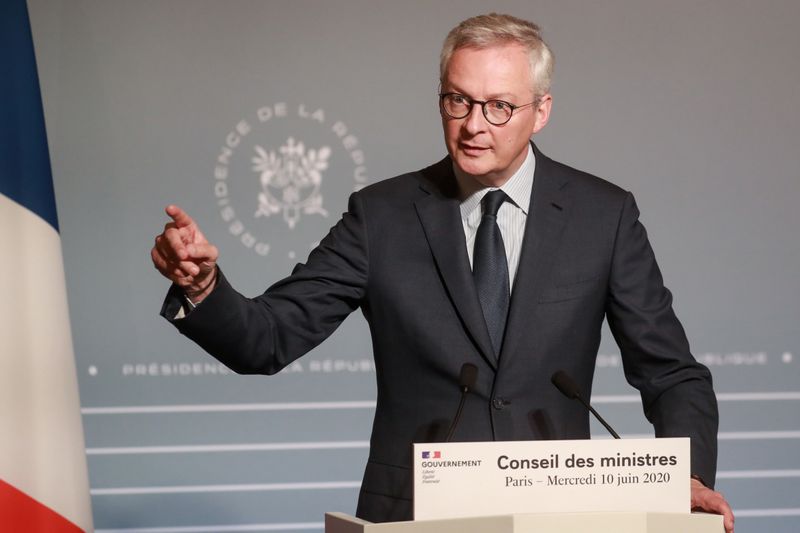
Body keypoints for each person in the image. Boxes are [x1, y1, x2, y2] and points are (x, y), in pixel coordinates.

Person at [152, 13, 734, 531]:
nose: (474, 124)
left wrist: (687, 480)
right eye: (458, 100)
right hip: (411, 513)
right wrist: (202, 287)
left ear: (541, 112)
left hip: (559, 512)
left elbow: (672, 374)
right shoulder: (381, 217)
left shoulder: (601, 216)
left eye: (499, 106)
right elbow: (268, 339)